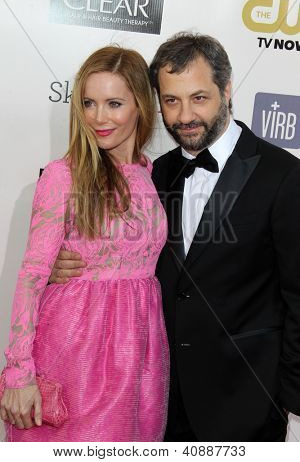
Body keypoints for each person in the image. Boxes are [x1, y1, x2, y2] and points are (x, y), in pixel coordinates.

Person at [48, 33, 300, 441]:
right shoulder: (151, 175)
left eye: (198, 98)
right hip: (159, 404)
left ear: (227, 89)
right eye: (171, 100)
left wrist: (296, 412)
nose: (184, 115)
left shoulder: (282, 175)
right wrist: (62, 265)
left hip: (250, 407)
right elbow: (121, 255)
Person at [0, 46, 169, 442]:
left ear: (141, 106)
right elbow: (31, 276)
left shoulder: (148, 172)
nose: (98, 117)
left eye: (114, 103)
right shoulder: (64, 175)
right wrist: (18, 372)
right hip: (77, 350)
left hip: (143, 354)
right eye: (89, 103)